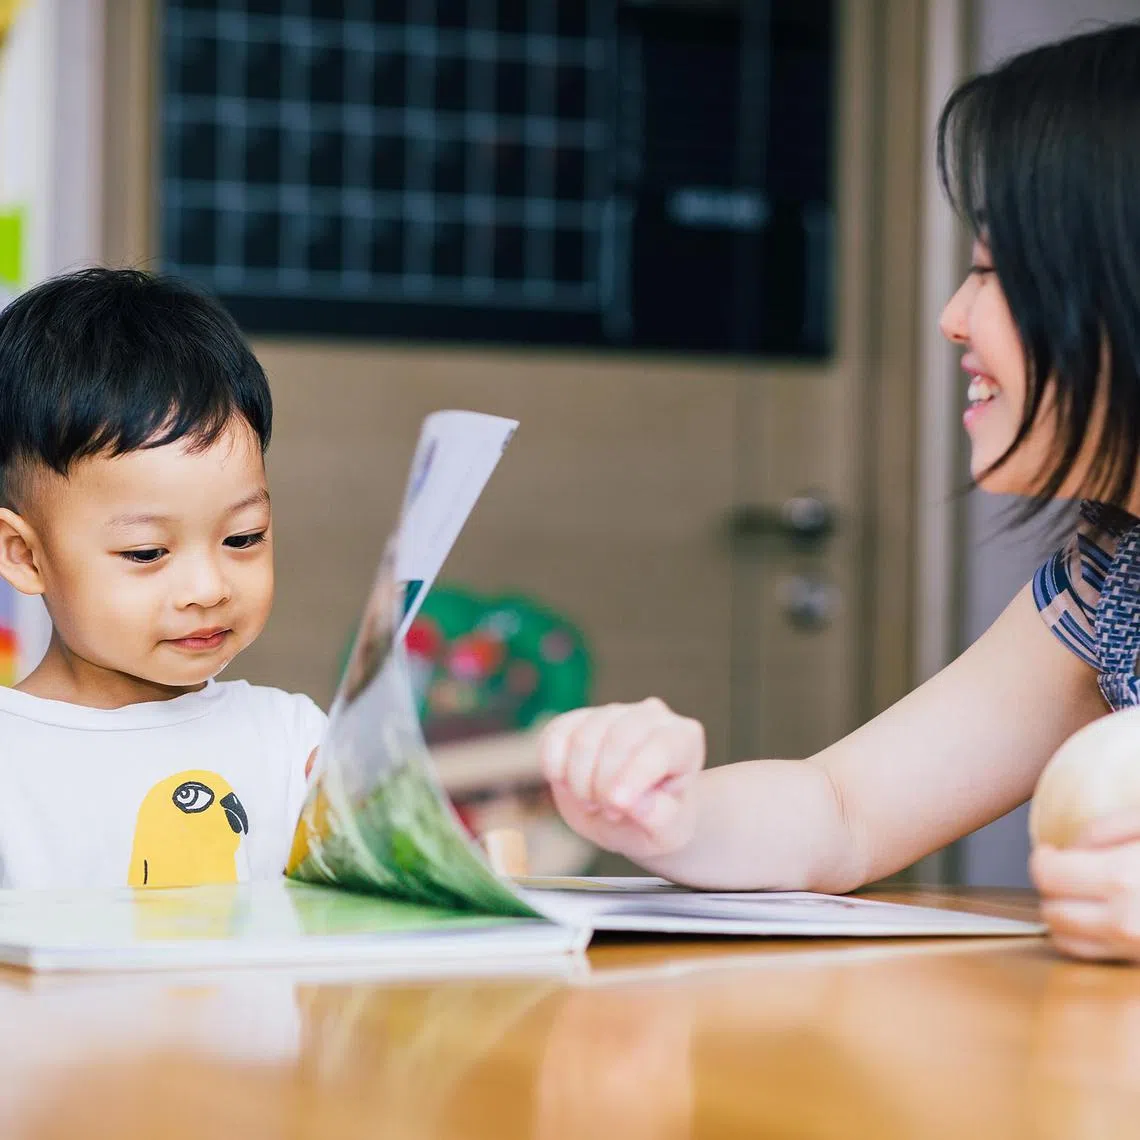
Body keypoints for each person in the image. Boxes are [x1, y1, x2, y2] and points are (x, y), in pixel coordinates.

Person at [540, 21, 1140, 962]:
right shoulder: (1114, 582)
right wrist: (666, 815)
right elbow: (844, 808)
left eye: (990, 272)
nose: (951, 319)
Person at [0, 268, 325, 889]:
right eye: (148, 552)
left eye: (242, 538)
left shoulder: (291, 744)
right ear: (25, 555)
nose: (208, 588)